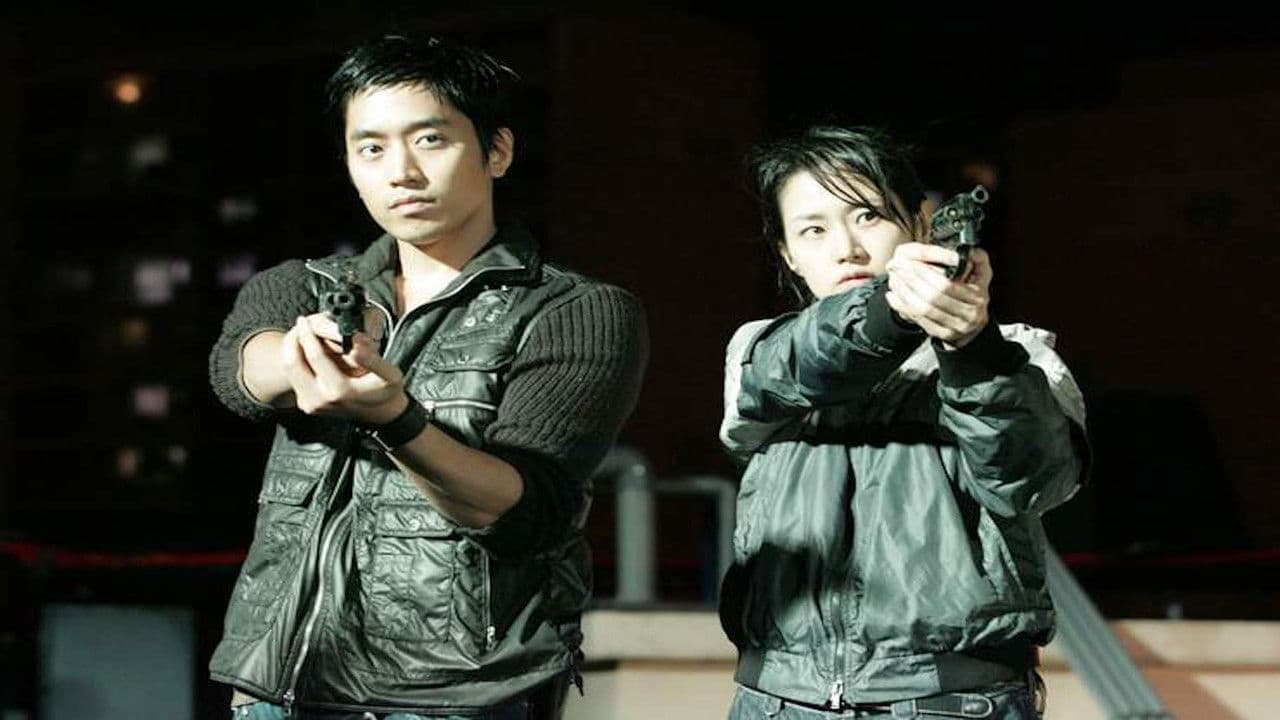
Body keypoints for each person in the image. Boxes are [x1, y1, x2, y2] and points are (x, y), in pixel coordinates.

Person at [206, 34, 647, 719]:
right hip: (277, 687)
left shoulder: (575, 311)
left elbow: (525, 511)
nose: (401, 172)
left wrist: (395, 419)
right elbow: (239, 370)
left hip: (458, 697)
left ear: (496, 151)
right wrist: (297, 355)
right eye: (371, 148)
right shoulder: (305, 285)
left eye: (430, 140)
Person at [718, 126, 1087, 719]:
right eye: (814, 230)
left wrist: (972, 349)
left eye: (867, 216)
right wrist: (890, 308)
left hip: (953, 700)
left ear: (919, 223)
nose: (847, 248)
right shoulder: (761, 349)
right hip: (777, 701)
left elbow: (1032, 480)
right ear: (788, 254)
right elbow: (809, 360)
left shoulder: (1021, 355)